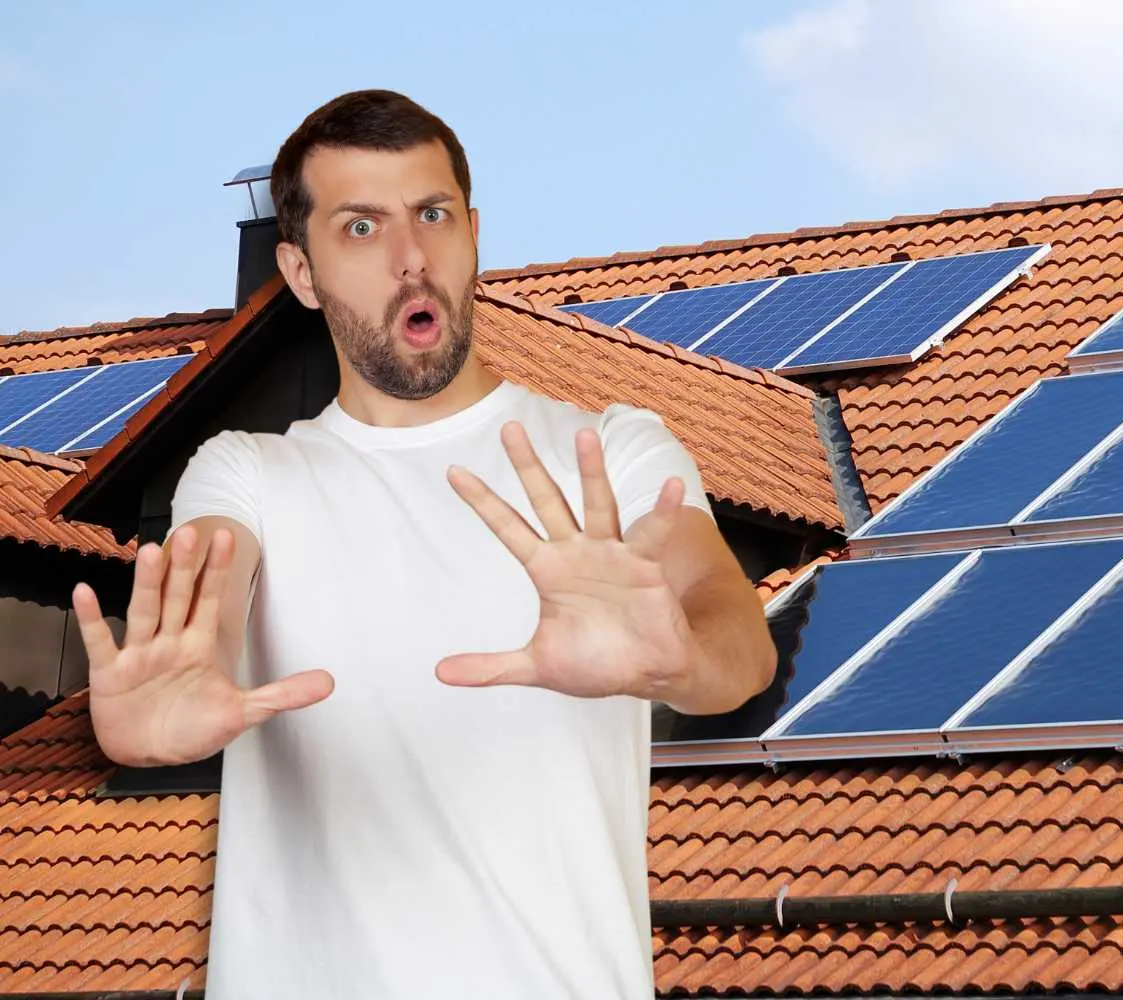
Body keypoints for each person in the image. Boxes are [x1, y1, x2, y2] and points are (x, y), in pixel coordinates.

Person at [69, 89, 776, 999]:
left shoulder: (611, 450)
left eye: (432, 216)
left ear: (474, 233)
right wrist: (169, 700)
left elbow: (739, 644)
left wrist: (674, 661)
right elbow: (211, 590)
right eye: (361, 228)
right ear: (300, 270)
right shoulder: (246, 473)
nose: (411, 260)